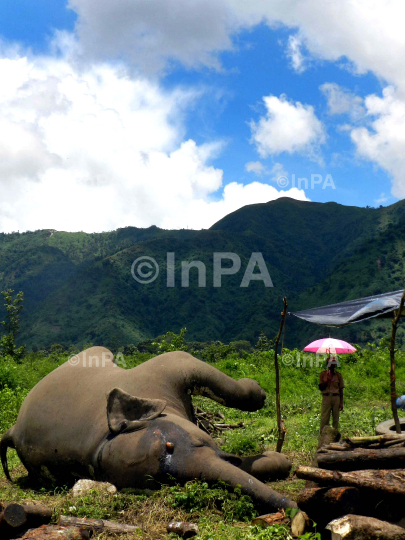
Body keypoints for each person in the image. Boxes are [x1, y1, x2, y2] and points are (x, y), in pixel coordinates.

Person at [318, 357, 344, 433]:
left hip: (336, 397)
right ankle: (323, 435)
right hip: (326, 397)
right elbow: (320, 388)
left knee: (336, 418)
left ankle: (334, 436)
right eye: (330, 363)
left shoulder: (338, 375)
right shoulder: (323, 374)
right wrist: (326, 381)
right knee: (324, 418)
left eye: (333, 363)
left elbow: (341, 389)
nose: (332, 365)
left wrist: (341, 402)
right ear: (327, 364)